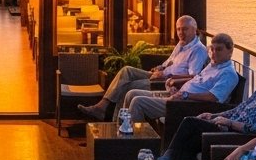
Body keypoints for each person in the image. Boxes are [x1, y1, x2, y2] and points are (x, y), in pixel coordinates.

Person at [155, 59, 256, 160]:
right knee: (192, 134)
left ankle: (169, 158)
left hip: (237, 135)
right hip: (226, 126)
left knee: (190, 123)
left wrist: (230, 123)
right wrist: (213, 115)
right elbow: (236, 110)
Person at [77, 15, 207, 120]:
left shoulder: (198, 50)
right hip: (160, 74)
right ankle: (103, 105)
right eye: (178, 29)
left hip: (166, 82)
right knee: (127, 70)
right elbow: (169, 62)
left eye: (185, 29)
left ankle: (115, 122)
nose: (181, 33)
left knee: (127, 86)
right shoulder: (181, 44)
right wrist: (159, 68)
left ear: (194, 30)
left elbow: (193, 76)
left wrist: (166, 75)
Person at [123, 33, 239, 124]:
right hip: (178, 96)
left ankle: (135, 141)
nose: (213, 53)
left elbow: (213, 97)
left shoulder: (228, 74)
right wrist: (176, 85)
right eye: (212, 49)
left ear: (230, 51)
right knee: (131, 93)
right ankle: (120, 130)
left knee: (138, 102)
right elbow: (196, 80)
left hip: (185, 106)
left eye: (219, 49)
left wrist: (186, 95)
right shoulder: (214, 65)